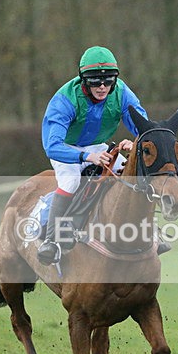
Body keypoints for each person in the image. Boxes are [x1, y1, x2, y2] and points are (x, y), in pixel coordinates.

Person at [37, 45, 149, 265]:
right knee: (71, 181)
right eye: (95, 81)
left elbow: (143, 127)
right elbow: (52, 146)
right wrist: (86, 158)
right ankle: (51, 241)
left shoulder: (121, 92)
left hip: (98, 146)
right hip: (67, 150)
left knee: (132, 174)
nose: (102, 86)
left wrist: (136, 142)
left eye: (108, 81)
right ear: (83, 79)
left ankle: (151, 233)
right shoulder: (65, 100)